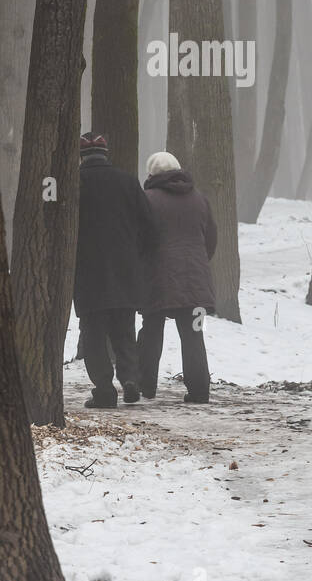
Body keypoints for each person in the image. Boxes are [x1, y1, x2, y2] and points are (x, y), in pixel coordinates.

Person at [74, 132, 156, 409]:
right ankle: (130, 379)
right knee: (124, 330)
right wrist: (136, 256)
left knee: (93, 334)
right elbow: (150, 227)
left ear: (81, 156)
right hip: (124, 271)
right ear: (106, 153)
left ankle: (105, 390)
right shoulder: (128, 182)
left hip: (87, 273)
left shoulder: (75, 183)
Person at [137, 151, 217, 404]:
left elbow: (139, 239)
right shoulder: (199, 199)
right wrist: (199, 263)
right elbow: (211, 239)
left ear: (151, 174)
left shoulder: (146, 199)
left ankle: (145, 386)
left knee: (151, 329)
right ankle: (200, 391)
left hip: (157, 279)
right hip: (196, 280)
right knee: (194, 334)